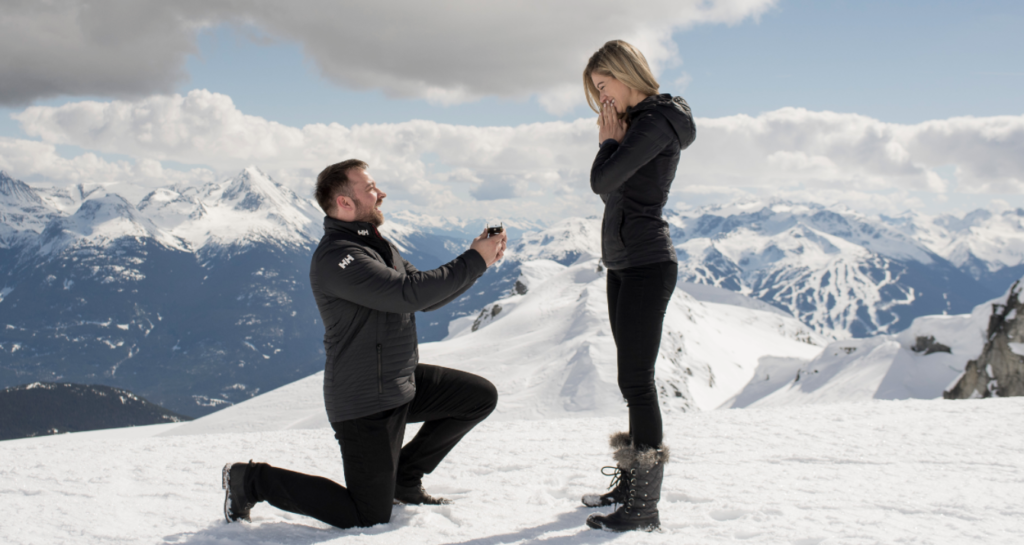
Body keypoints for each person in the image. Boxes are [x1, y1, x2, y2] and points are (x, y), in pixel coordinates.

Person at [220, 159, 507, 529]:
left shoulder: (374, 244)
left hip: (399, 382)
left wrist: (478, 262)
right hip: (365, 401)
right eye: (370, 187)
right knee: (367, 515)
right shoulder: (340, 256)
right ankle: (250, 480)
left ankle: (403, 478)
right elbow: (407, 294)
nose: (381, 193)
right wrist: (473, 260)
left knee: (477, 397)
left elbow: (425, 296)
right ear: (344, 202)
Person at [578, 40, 696, 532]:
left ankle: (644, 507)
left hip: (647, 263)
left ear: (625, 76)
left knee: (638, 383)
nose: (602, 101)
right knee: (632, 385)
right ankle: (630, 485)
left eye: (604, 88)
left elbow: (603, 182)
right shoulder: (640, 122)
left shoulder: (656, 122)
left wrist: (608, 141)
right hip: (624, 263)